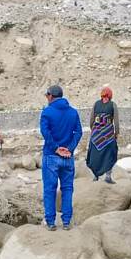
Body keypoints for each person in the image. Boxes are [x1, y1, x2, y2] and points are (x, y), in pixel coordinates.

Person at [40, 85, 83, 230]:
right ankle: (66, 222)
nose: (47, 98)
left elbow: (45, 132)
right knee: (67, 189)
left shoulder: (47, 112)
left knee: (49, 190)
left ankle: (51, 222)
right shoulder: (73, 112)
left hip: (51, 155)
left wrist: (56, 148)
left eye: (47, 95)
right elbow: (78, 132)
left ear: (51, 96)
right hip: (68, 157)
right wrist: (69, 148)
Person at [86, 85, 120, 184]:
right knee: (110, 154)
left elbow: (91, 120)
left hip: (96, 134)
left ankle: (95, 176)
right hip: (108, 135)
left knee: (95, 154)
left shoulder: (96, 104)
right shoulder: (113, 105)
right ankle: (108, 176)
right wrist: (116, 133)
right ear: (110, 95)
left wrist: (93, 130)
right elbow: (116, 121)